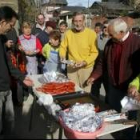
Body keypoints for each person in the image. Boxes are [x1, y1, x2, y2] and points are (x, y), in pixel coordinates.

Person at [87, 18, 140, 138]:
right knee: (112, 113)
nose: (108, 36)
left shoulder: (137, 43)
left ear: (121, 32)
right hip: (114, 87)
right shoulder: (110, 43)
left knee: (130, 118)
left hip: (131, 89)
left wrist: (136, 87)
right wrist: (94, 76)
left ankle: (128, 136)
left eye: (111, 34)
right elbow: (102, 63)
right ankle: (116, 134)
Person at [0, 6, 33, 138]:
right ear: (2, 22)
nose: (11, 28)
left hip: (6, 88)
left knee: (9, 121)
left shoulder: (2, 39)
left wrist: (21, 77)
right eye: (11, 25)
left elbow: (8, 62)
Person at [59, 11, 98, 93]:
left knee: (85, 92)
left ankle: (85, 105)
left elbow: (94, 52)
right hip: (72, 67)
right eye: (75, 21)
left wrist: (84, 62)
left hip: (86, 67)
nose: (78, 24)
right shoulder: (68, 33)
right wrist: (62, 55)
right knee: (72, 90)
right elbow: (63, 47)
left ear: (84, 21)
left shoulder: (91, 34)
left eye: (80, 21)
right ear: (73, 22)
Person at [91, 21, 110, 100]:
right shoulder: (96, 37)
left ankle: (108, 108)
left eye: (108, 27)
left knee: (109, 91)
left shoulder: (113, 39)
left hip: (108, 70)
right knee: (94, 89)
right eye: (104, 27)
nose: (106, 29)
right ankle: (95, 104)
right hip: (97, 67)